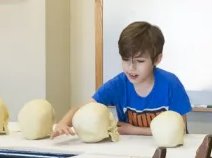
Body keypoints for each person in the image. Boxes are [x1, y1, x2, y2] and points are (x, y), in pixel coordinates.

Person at [52, 21, 191, 138]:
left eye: (140, 61)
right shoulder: (118, 85)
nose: (131, 67)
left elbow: (180, 129)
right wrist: (63, 123)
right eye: (125, 60)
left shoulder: (171, 84)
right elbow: (83, 108)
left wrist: (133, 130)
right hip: (128, 151)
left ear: (157, 59)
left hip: (167, 152)